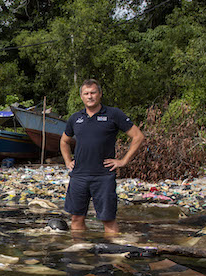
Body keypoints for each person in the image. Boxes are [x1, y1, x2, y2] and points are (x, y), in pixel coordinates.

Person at [60, 79, 144, 235]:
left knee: (108, 220)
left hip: (103, 176)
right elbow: (64, 141)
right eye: (86, 93)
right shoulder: (75, 118)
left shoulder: (113, 114)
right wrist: (67, 161)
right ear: (81, 96)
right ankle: (80, 249)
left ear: (100, 94)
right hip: (79, 176)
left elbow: (138, 136)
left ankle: (111, 249)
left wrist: (123, 161)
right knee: (76, 218)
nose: (90, 96)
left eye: (93, 92)